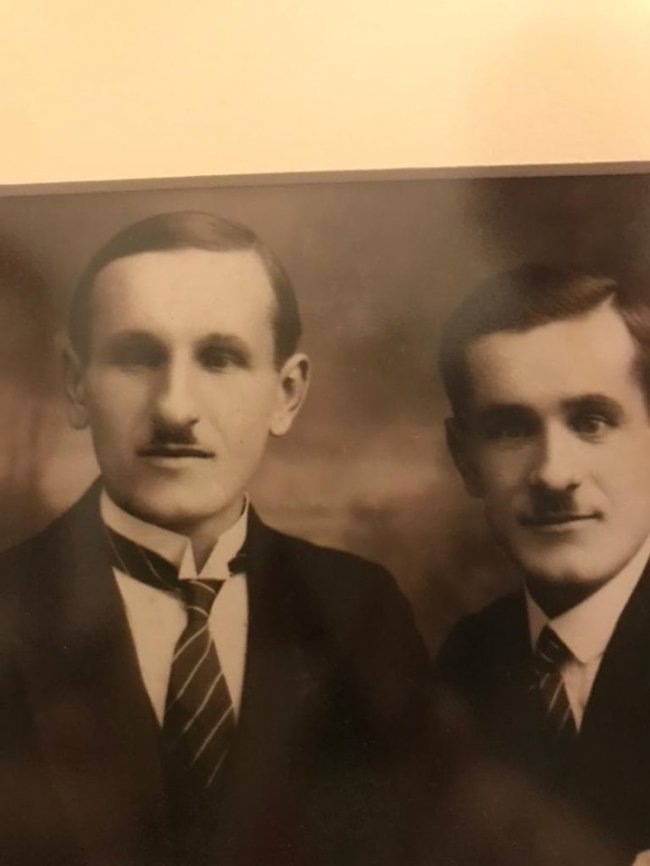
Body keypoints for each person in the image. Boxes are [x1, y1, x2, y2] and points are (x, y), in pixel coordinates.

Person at [0, 211, 432, 866]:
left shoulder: (362, 611)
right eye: (137, 357)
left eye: (220, 358)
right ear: (75, 382)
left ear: (286, 394)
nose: (175, 408)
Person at [434, 263, 650, 865]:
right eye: (510, 429)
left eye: (592, 422)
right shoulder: (466, 663)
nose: (554, 474)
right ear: (465, 459)